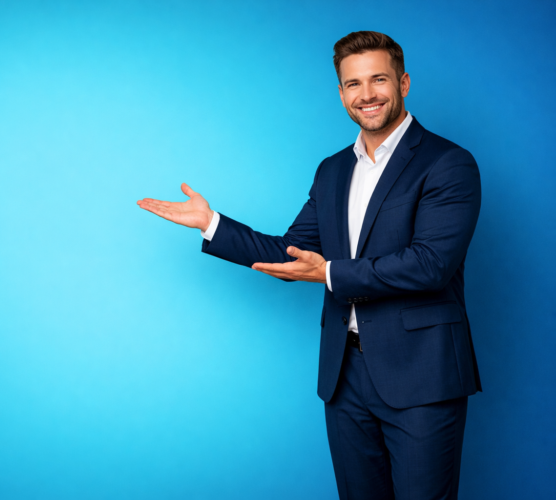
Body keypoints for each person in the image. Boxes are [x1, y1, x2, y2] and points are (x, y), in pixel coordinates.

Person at [137, 31, 481, 500]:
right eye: (353, 84)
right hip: (345, 377)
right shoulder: (333, 169)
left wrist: (330, 274)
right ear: (341, 93)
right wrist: (212, 223)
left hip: (422, 375)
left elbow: (430, 265)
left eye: (378, 80)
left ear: (402, 83)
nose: (367, 95)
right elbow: (291, 254)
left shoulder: (448, 163)